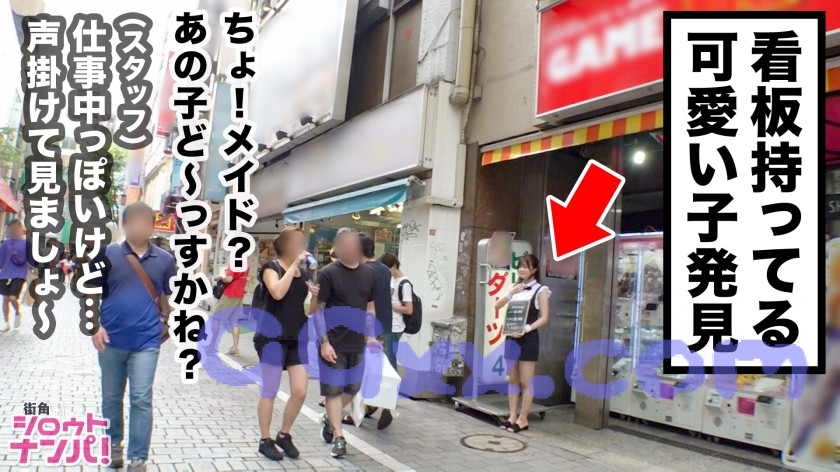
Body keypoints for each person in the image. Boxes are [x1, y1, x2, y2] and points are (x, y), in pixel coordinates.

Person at [92, 202, 176, 472]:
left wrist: (171, 321)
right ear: (125, 225)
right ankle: (113, 447)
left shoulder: (165, 259)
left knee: (141, 398)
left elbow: (169, 297)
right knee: (111, 398)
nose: (140, 226)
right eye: (135, 222)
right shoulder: (106, 254)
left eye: (146, 222)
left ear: (152, 226)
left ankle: (138, 458)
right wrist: (94, 326)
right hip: (110, 340)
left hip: (146, 342)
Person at [311, 227, 379, 458]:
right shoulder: (328, 273)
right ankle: (339, 437)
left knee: (353, 388)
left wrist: (371, 336)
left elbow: (370, 308)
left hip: (357, 342)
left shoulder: (369, 274)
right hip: (333, 342)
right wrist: (324, 343)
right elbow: (318, 310)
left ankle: (329, 418)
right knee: (333, 390)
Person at [253, 226, 318, 461]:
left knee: (300, 391)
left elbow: (310, 310)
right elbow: (277, 293)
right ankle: (265, 439)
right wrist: (292, 267)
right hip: (271, 337)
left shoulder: (303, 273)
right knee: (270, 390)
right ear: (285, 245)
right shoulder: (271, 268)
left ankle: (284, 434)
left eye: (303, 242)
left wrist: (315, 296)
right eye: (297, 242)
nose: (301, 246)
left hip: (297, 336)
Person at [494, 254, 550, 434]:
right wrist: (512, 292)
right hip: (511, 337)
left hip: (528, 338)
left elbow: (544, 318)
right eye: (520, 266)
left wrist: (526, 329)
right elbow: (497, 306)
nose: (522, 269)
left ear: (535, 269)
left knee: (526, 381)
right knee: (513, 379)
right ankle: (512, 416)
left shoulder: (541, 290)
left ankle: (523, 418)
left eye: (526, 266)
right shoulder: (514, 288)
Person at [357, 233, 397, 429]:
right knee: (380, 367)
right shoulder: (384, 269)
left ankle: (361, 410)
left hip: (368, 328)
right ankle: (376, 405)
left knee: (364, 370)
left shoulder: (362, 271)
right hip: (385, 325)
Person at [212, 261, 249, 356]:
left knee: (216, 319)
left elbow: (229, 279)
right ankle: (235, 348)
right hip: (239, 295)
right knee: (234, 321)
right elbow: (245, 279)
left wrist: (221, 277)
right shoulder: (247, 263)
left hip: (230, 294)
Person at [0, 220, 29, 331]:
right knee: (5, 298)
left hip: (19, 274)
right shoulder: (6, 243)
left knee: (12, 298)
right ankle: (6, 323)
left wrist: (32, 273)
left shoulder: (27, 244)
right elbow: (1, 258)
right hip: (5, 274)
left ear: (21, 229)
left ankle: (17, 313)